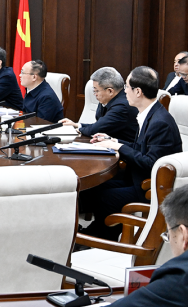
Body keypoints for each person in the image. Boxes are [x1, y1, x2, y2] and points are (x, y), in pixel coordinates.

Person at [78, 66, 182, 240]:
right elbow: (140, 147)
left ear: (138, 91)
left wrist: (119, 147)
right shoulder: (150, 113)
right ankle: (93, 232)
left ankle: (104, 240)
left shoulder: (160, 122)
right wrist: (114, 141)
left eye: (126, 86)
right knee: (93, 188)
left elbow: (151, 163)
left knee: (106, 197)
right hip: (137, 177)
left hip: (151, 187)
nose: (124, 90)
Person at [61, 66, 138, 142]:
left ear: (110, 91)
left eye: (96, 91)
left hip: (125, 147)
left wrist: (77, 130)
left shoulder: (122, 106)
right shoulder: (108, 100)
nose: (95, 94)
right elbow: (100, 125)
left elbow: (96, 129)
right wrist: (76, 125)